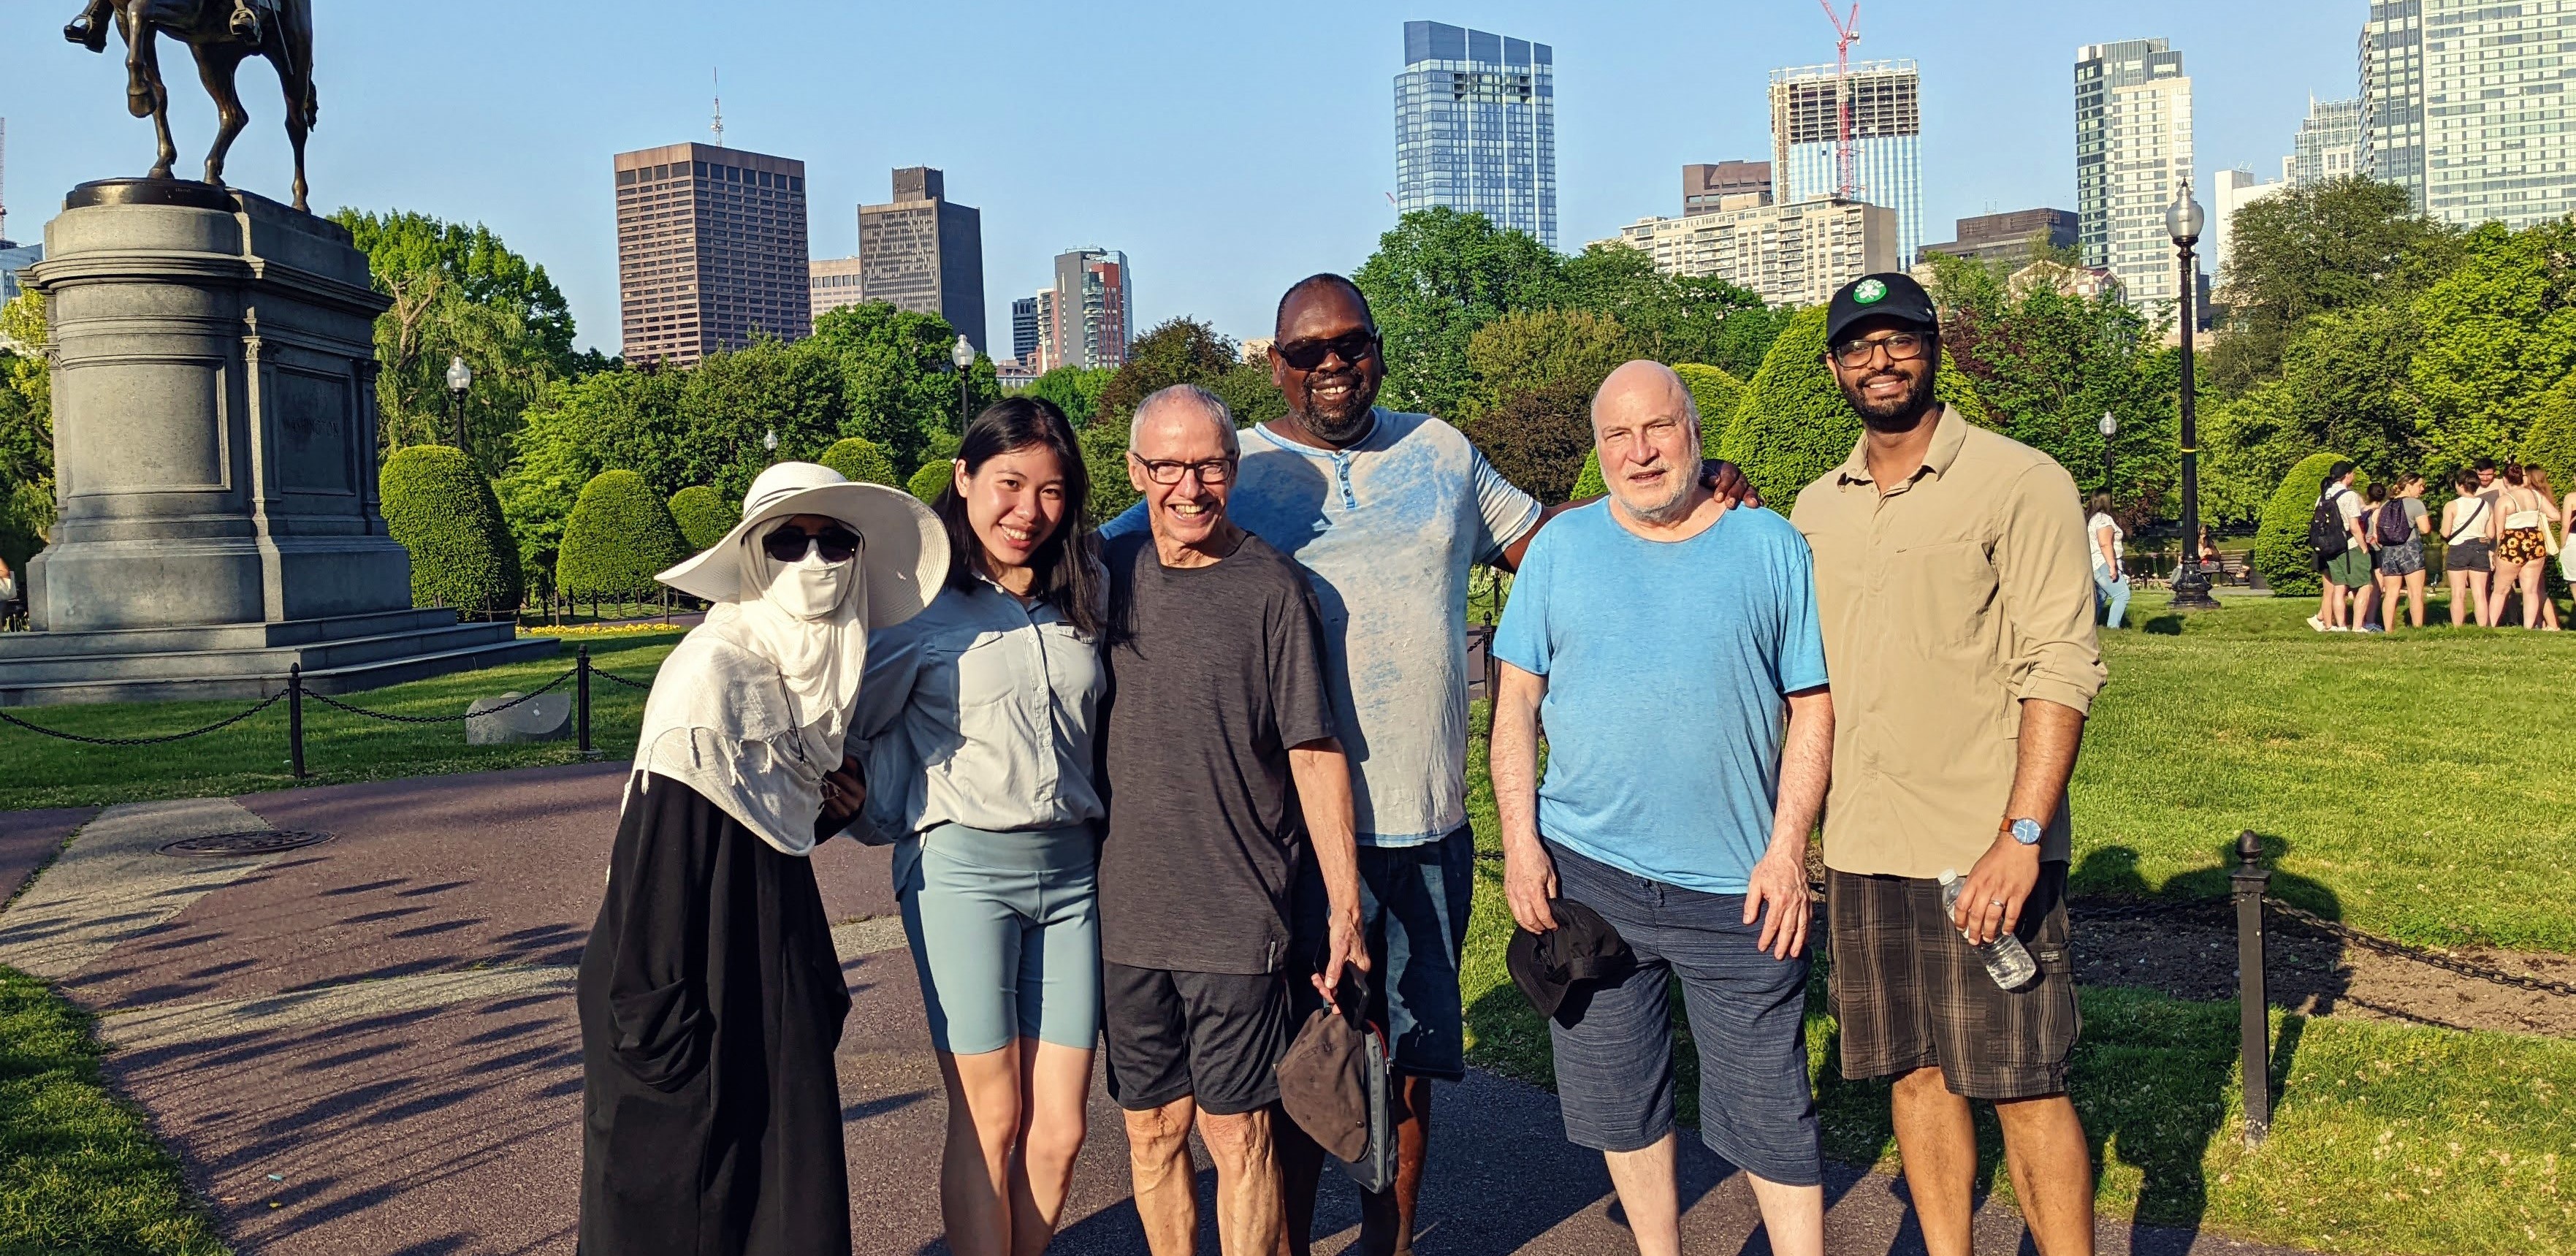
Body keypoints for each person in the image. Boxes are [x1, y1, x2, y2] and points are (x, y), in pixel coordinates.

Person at [1096, 275, 1753, 1255]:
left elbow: (1554, 542)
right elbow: (1073, 548)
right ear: (1275, 363)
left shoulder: (1441, 451)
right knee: (1297, 1066)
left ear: (1376, 350)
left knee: (1403, 1063)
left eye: (1347, 345)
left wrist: (1684, 493)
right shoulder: (1230, 469)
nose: (1329, 366)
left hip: (1423, 821)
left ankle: (1384, 1242)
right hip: (1286, 837)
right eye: (1306, 351)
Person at [1788, 273, 2106, 1256]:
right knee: (1914, 1077)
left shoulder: (2021, 479)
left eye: (1897, 341)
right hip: (1865, 846)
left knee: (2022, 1082)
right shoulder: (1816, 506)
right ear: (1835, 366)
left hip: (1981, 845)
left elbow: (2060, 659)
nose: (1877, 361)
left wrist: (2021, 837)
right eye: (1856, 346)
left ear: (1933, 347)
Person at [1490, 362, 1832, 1256]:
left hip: (1739, 882)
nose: (1638, 452)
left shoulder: (1770, 547)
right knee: (1618, 1096)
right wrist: (1521, 846)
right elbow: (1516, 705)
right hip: (1589, 875)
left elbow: (1813, 707)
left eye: (1658, 429)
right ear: (1597, 446)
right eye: (1616, 435)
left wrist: (1789, 848)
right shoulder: (1562, 550)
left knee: (1771, 1107)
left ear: (1694, 431)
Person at [576, 462, 947, 1256]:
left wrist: (828, 815)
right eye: (788, 542)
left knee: (784, 1197)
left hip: (768, 947)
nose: (814, 565)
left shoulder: (808, 674)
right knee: (688, 1199)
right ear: (753, 559)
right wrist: (655, 1027)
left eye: (834, 543)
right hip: (681, 964)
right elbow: (663, 853)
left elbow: (767, 824)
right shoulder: (712, 674)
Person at [1096, 384, 1368, 1256]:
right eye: (1166, 466)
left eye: (1208, 465)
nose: (1188, 487)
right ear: (1135, 470)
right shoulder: (1107, 576)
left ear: (1233, 468)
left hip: (1235, 921)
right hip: (1125, 919)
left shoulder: (1274, 590)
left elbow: (1314, 751)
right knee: (1150, 1134)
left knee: (1237, 1139)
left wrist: (1343, 906)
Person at [842, 398, 1108, 1256]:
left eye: (1052, 491)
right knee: (991, 1113)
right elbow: (849, 728)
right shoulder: (919, 616)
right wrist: (856, 803)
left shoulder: (1084, 604)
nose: (1028, 511)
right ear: (963, 480)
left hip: (1072, 876)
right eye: (1008, 484)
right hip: (960, 871)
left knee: (1061, 1125)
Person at [2488, 462, 2553, 628]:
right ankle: (2528, 628)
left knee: (2500, 589)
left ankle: (2491, 626)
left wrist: (2496, 553)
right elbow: (2555, 514)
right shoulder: (2536, 496)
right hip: (2534, 540)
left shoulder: (2504, 500)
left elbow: (2499, 531)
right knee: (2530, 590)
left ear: (2505, 480)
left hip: (2513, 541)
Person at [2309, 463, 2370, 633]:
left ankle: (2341, 626)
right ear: (2347, 475)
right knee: (2364, 586)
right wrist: (2364, 547)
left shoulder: (2323, 496)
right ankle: (2358, 627)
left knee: (2339, 586)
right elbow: (2354, 526)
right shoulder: (2349, 495)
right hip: (2349, 545)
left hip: (2330, 547)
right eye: (2353, 473)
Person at [2372, 473, 2432, 631]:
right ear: (2409, 485)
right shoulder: (2415, 504)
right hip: (2410, 550)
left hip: (2389, 552)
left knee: (2391, 594)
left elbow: (2378, 534)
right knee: (2415, 593)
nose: (2422, 489)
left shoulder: (2385, 505)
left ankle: (2388, 631)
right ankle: (2417, 629)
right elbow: (2425, 529)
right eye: (2420, 485)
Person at [2442, 468, 2496, 627]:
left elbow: (2446, 532)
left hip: (2458, 548)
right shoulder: (2487, 506)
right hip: (2480, 548)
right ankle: (2482, 627)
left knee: (2458, 593)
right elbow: (2491, 534)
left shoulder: (2452, 505)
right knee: (2480, 594)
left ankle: (2458, 627)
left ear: (2460, 485)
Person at [2527, 466, 2564, 631]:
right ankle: (2540, 622)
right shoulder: (2543, 493)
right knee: (2536, 587)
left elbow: (2556, 516)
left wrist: (2538, 517)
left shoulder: (2536, 496)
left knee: (2537, 588)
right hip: (2539, 544)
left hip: (2535, 543)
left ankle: (2552, 624)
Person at [2085, 492, 2130, 629]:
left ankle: (2088, 627)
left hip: (2095, 563)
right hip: (2103, 563)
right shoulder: (2104, 520)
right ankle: (2112, 628)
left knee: (2101, 598)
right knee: (2122, 594)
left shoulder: (2093, 519)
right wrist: (2112, 566)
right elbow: (2105, 544)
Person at [2354, 483, 2392, 633]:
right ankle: (2370, 621)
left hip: (2362, 550)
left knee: (2363, 587)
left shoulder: (2361, 511)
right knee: (2376, 589)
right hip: (2376, 550)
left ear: (2368, 495)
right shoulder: (2382, 512)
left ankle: (2359, 619)